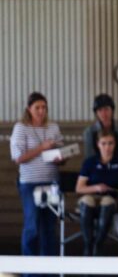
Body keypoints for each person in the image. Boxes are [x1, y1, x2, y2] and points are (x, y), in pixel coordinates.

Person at [10, 92, 64, 260]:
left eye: (44, 108)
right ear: (29, 109)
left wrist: (61, 158)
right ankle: (30, 268)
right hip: (30, 183)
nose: (41, 111)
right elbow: (18, 158)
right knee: (32, 225)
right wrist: (42, 147)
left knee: (49, 226)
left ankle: (49, 267)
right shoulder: (21, 128)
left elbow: (60, 152)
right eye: (37, 108)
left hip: (51, 181)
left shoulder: (53, 127)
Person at [76, 130, 118, 256]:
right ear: (98, 144)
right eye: (104, 143)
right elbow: (79, 188)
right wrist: (96, 187)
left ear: (115, 145)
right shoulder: (89, 162)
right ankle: (88, 244)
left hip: (112, 198)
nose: (107, 147)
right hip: (91, 196)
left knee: (107, 201)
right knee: (87, 200)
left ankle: (98, 244)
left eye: (110, 143)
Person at [83, 94, 118, 159]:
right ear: (96, 113)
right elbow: (90, 157)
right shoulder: (89, 132)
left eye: (106, 109)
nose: (103, 113)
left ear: (112, 110)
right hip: (96, 166)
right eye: (100, 110)